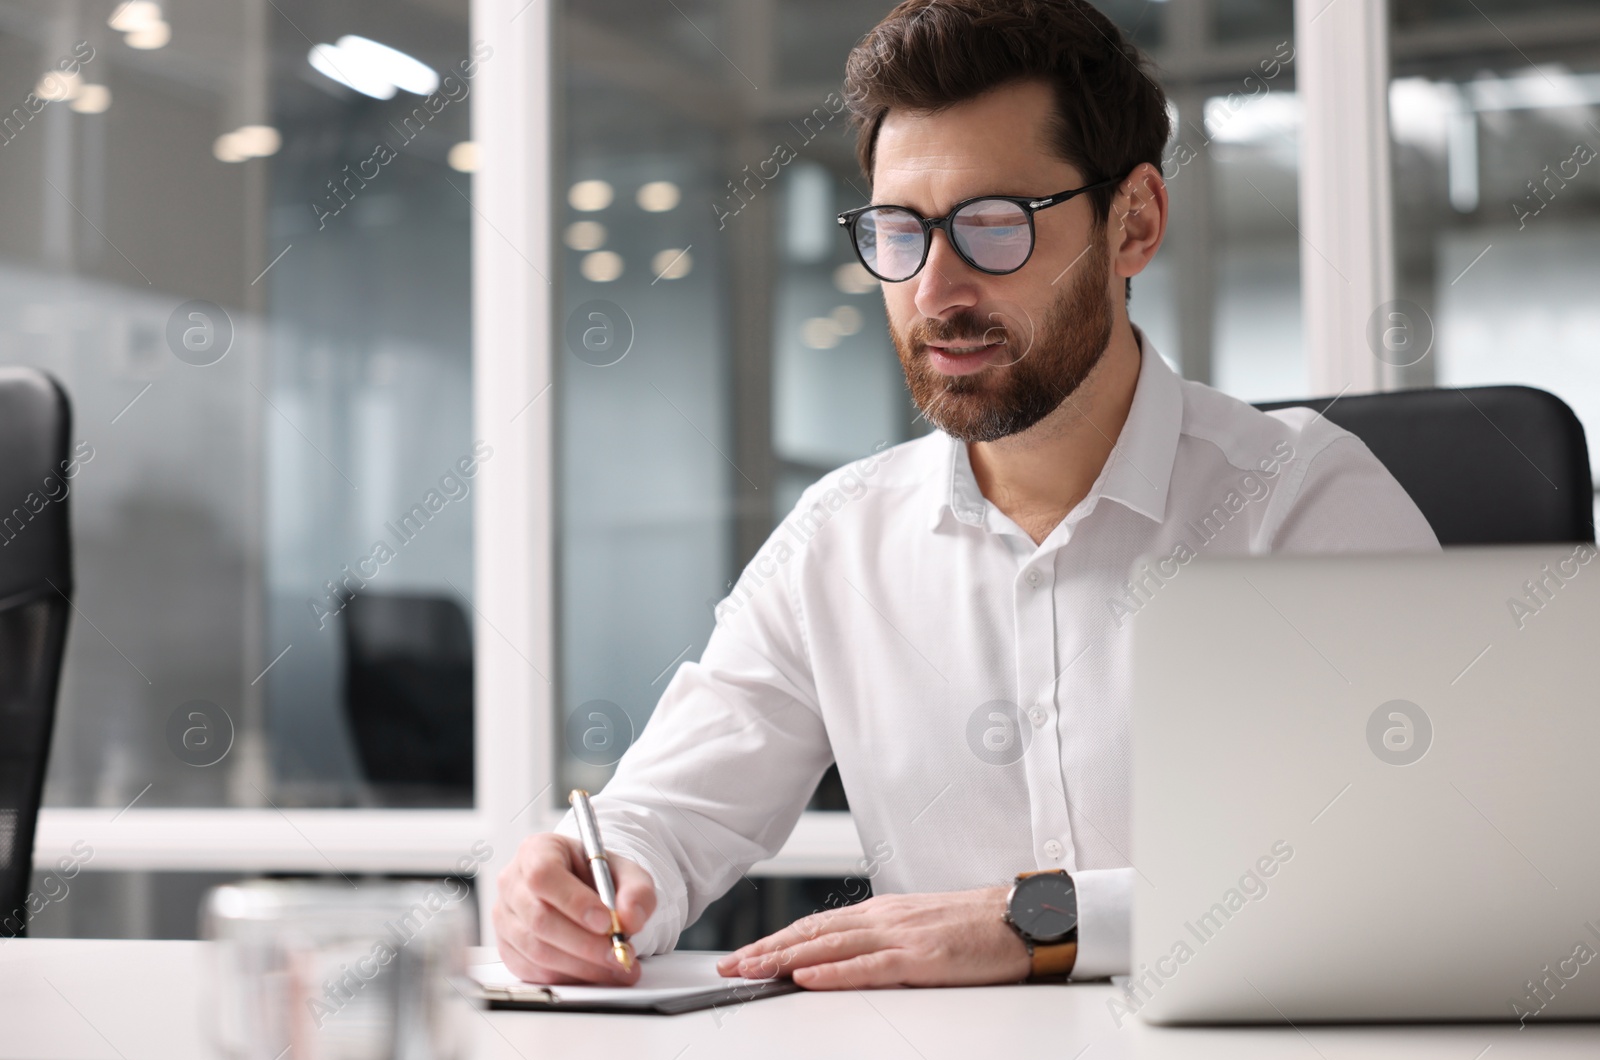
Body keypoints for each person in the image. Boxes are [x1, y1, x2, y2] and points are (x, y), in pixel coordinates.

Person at [492, 0, 1438, 989]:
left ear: (1136, 223)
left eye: (993, 227)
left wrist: (1037, 918)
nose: (936, 290)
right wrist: (587, 882)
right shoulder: (837, 538)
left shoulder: (1302, 503)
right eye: (898, 231)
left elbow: (1420, 858)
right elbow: (668, 813)